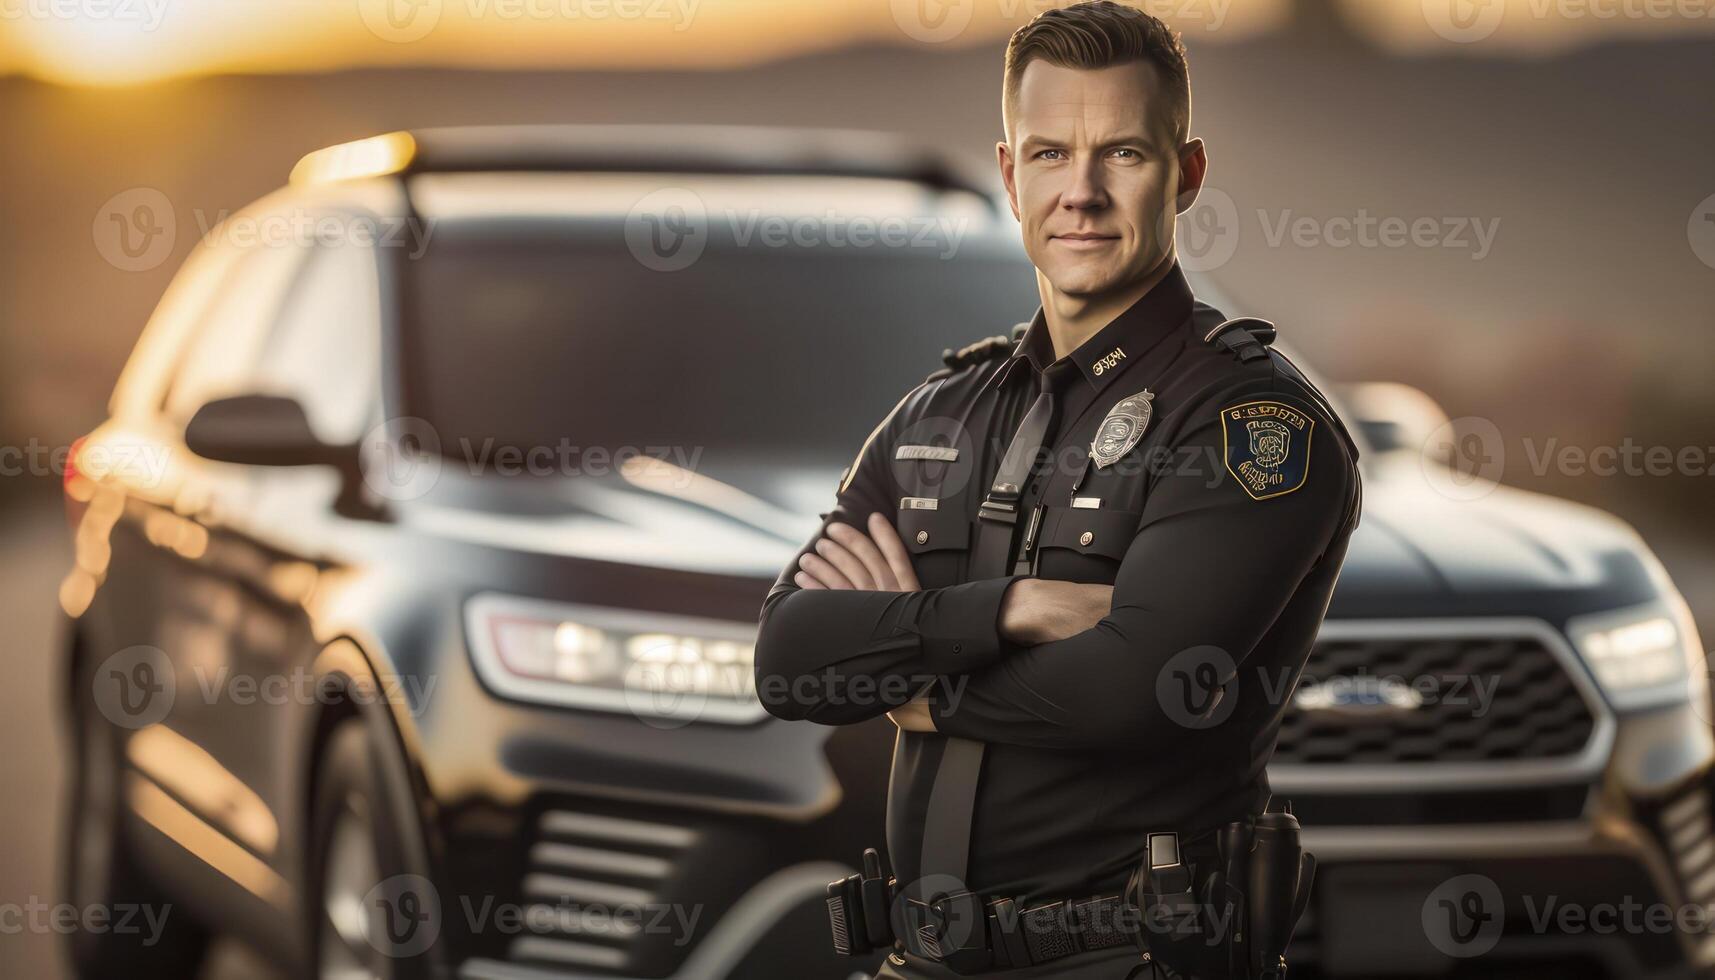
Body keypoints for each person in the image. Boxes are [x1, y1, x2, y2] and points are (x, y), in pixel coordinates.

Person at [754, 3, 1362, 976]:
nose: (1079, 192)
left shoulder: (1248, 425)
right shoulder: (937, 415)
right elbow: (788, 660)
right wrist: (1012, 609)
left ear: (1186, 173)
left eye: (1119, 152)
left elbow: (1135, 689)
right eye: (1047, 154)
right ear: (1007, 175)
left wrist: (910, 668)